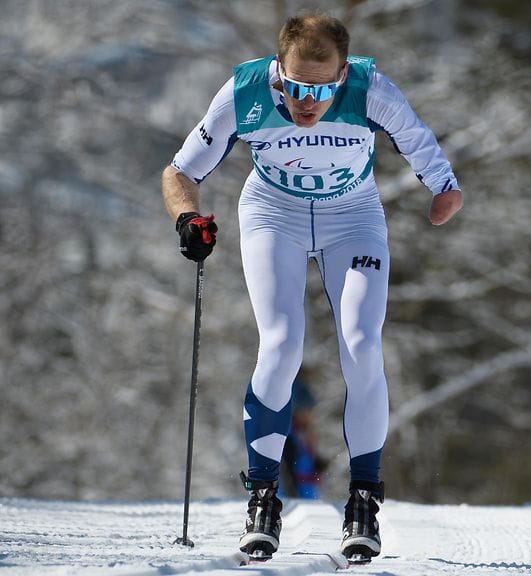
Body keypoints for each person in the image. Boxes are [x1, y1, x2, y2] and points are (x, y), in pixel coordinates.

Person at [161, 11, 463, 562]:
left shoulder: (371, 90)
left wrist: (444, 190)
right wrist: (188, 219)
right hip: (273, 213)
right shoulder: (245, 92)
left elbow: (422, 146)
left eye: (323, 89)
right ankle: (262, 498)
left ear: (343, 73)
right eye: (296, 85)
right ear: (278, 68)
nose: (307, 101)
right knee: (280, 344)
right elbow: (180, 171)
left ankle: (363, 501)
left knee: (362, 343)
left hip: (353, 217)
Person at [280, 368, 329, 499]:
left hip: (307, 498)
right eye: (305, 410)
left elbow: (305, 465)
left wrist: (318, 464)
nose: (309, 415)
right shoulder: (288, 436)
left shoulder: (302, 434)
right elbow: (286, 471)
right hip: (293, 501)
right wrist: (292, 494)